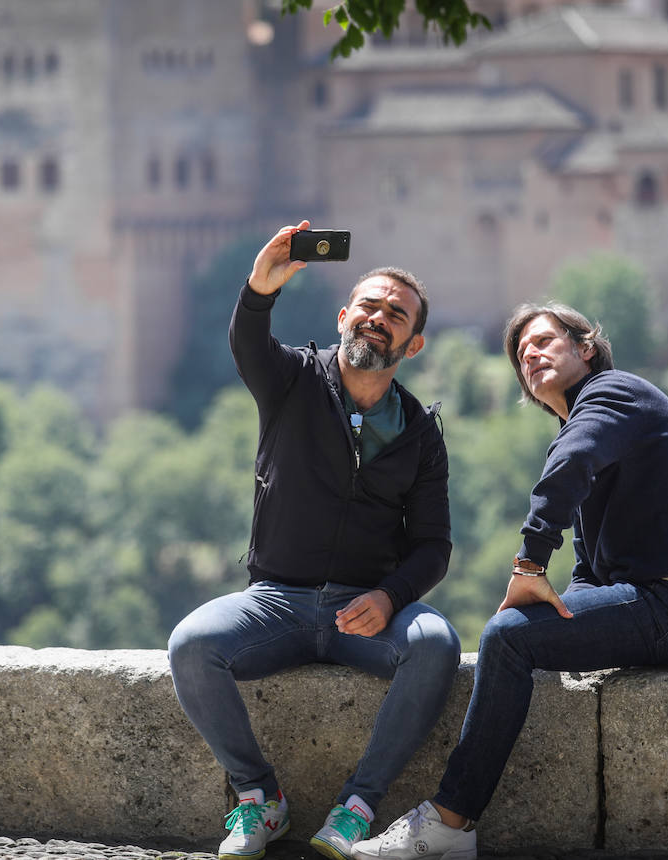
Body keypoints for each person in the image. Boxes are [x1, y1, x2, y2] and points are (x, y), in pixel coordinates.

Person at [354, 301, 668, 860]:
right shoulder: (590, 425)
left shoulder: (613, 394)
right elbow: (589, 569)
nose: (530, 355)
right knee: (518, 632)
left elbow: (568, 468)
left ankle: (450, 822)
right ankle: (452, 823)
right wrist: (558, 620)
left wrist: (529, 568)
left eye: (543, 342)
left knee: (508, 637)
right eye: (520, 355)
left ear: (586, 347)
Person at [168, 221, 460, 860]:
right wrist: (258, 288)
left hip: (367, 611)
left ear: (412, 345)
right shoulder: (292, 381)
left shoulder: (419, 432)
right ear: (343, 316)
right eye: (370, 306)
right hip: (276, 603)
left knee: (437, 642)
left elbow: (433, 546)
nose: (379, 318)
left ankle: (357, 807)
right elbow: (248, 343)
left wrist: (390, 597)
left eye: (397, 314)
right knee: (191, 645)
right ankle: (258, 800)